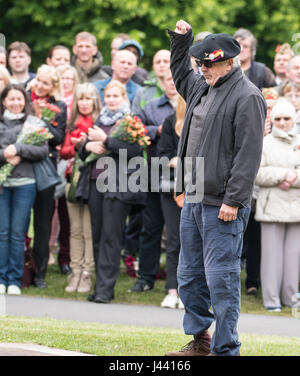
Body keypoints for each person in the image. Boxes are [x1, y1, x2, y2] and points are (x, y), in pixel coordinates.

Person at [166, 20, 266, 357]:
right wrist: (182, 41)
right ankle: (201, 341)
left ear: (228, 62)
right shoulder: (202, 87)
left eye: (208, 64)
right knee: (189, 277)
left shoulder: (248, 96)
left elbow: (248, 154)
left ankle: (227, 349)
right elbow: (180, 72)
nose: (202, 69)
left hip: (223, 206)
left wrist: (234, 200)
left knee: (221, 281)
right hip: (194, 199)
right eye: (200, 63)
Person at [79, 80, 145, 303]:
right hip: (96, 182)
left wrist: (106, 140)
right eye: (108, 96)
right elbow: (83, 149)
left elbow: (136, 150)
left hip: (119, 185)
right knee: (97, 236)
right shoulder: (100, 118)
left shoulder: (130, 121)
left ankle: (106, 290)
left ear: (124, 97)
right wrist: (88, 146)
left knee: (111, 236)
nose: (112, 100)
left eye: (116, 96)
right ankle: (100, 287)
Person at [129, 70, 178, 293]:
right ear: (162, 82)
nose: (173, 83)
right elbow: (135, 129)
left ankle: (175, 281)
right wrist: (156, 130)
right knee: (151, 227)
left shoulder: (194, 107)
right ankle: (146, 277)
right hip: (154, 174)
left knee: (177, 233)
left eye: (177, 80)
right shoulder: (151, 107)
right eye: (169, 79)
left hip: (182, 178)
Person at [0, 84, 48, 295]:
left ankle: (14, 280)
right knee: (2, 233)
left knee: (18, 234)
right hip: (2, 185)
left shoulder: (34, 123)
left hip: (25, 184)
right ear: (4, 101)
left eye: (19, 99)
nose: (16, 103)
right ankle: (1, 278)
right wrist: (5, 155)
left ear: (25, 101)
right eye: (11, 99)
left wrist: (19, 149)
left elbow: (42, 150)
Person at [255, 99, 300, 311]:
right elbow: (257, 173)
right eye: (278, 119)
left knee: (293, 256)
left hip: (296, 205)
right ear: (273, 120)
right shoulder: (264, 143)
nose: (282, 123)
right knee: (271, 257)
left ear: (294, 118)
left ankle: (291, 299)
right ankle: (271, 300)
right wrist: (281, 174)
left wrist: (294, 178)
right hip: (271, 205)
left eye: (287, 118)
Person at [28, 64, 67, 288]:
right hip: (22, 166)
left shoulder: (58, 106)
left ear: (53, 87)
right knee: (19, 222)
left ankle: (39, 273)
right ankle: (19, 268)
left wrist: (41, 119)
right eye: (39, 81)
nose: (41, 86)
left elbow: (58, 137)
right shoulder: (22, 98)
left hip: (46, 167)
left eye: (46, 83)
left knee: (43, 223)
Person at [60, 83, 100, 293]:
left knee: (88, 231)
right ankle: (75, 271)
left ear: (95, 100)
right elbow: (65, 151)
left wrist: (85, 143)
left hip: (91, 183)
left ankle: (87, 272)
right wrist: (78, 144)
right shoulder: (70, 124)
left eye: (88, 98)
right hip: (72, 181)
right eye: (81, 99)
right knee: (74, 230)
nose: (84, 103)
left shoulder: (99, 123)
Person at [157, 95, 186, 309]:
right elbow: (163, 155)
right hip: (171, 189)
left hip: (199, 188)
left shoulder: (205, 121)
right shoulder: (169, 122)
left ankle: (189, 293)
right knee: (174, 240)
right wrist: (173, 161)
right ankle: (172, 290)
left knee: (193, 242)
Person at [132, 49, 171, 114]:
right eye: (158, 62)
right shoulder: (142, 93)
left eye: (166, 61)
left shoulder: (180, 90)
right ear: (153, 67)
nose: (162, 65)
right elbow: (135, 120)